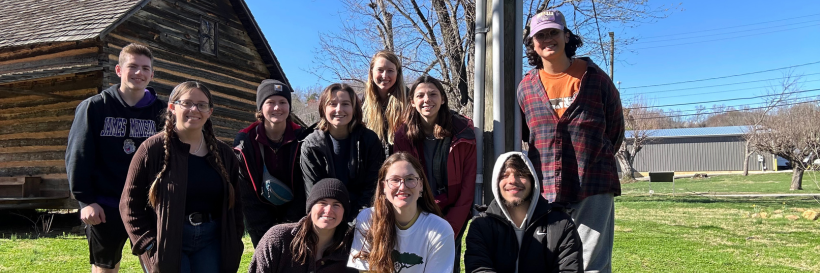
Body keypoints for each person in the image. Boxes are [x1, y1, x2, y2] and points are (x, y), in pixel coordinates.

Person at [518, 10, 625, 273]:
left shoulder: (595, 78)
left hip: (593, 184)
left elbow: (615, 130)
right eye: (540, 35)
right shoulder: (526, 87)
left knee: (592, 264)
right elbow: (524, 134)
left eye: (553, 32)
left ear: (566, 36)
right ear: (532, 43)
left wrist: (590, 157)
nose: (547, 39)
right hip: (546, 189)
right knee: (549, 260)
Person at [120, 81, 244, 273]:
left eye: (202, 105)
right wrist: (148, 244)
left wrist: (235, 241)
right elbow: (129, 204)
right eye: (186, 103)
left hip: (212, 241)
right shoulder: (151, 150)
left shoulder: (225, 154)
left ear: (210, 111)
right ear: (172, 107)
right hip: (167, 240)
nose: (194, 109)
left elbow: (236, 205)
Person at [65, 43, 166, 273]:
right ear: (119, 70)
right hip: (105, 204)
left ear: (152, 74)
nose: (139, 73)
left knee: (158, 265)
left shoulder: (161, 111)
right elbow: (78, 155)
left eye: (145, 68)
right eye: (132, 66)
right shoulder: (94, 107)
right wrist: (86, 200)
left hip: (148, 206)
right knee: (105, 267)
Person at [392, 75, 476, 271]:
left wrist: (451, 227)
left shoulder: (463, 131)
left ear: (443, 99)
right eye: (420, 95)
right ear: (412, 102)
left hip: (452, 210)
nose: (426, 99)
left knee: (446, 267)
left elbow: (468, 183)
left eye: (433, 94)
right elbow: (400, 181)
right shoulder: (403, 136)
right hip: (417, 211)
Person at [464, 152, 583, 272]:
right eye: (504, 176)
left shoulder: (561, 225)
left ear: (533, 181)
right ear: (496, 183)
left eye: (520, 174)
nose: (512, 180)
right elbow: (478, 268)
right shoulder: (481, 225)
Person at [234, 79, 313, 247]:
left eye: (283, 102)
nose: (277, 107)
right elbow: (246, 193)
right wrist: (266, 233)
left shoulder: (303, 138)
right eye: (270, 102)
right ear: (260, 108)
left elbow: (304, 187)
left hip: (297, 215)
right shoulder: (245, 142)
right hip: (259, 216)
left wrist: (290, 226)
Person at [348, 152, 455, 273]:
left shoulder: (440, 229)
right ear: (383, 186)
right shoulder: (368, 219)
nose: (402, 187)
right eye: (395, 180)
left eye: (410, 179)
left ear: (421, 185)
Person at [301, 83, 385, 222]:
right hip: (326, 217)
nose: (339, 109)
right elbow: (314, 194)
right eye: (332, 104)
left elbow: (372, 188)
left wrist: (356, 221)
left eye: (345, 104)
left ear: (354, 108)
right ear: (323, 108)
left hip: (364, 216)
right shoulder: (311, 145)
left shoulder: (369, 140)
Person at [248, 178, 357, 273]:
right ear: (310, 208)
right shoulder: (278, 239)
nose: (328, 210)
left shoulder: (351, 249)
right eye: (322, 203)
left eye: (336, 205)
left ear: (344, 213)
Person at [361, 50, 408, 156]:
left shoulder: (410, 98)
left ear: (397, 73)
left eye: (390, 70)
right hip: (372, 164)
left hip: (402, 164)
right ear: (371, 72)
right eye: (380, 70)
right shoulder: (361, 102)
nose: (385, 75)